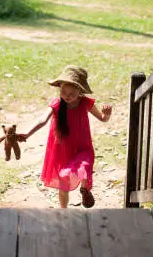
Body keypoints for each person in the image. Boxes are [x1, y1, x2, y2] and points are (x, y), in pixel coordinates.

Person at [19, 65, 112, 209]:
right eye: (63, 91)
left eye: (72, 93)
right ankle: (63, 210)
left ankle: (85, 190)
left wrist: (106, 115)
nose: (67, 96)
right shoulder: (56, 104)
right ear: (59, 89)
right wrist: (27, 134)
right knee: (63, 183)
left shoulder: (85, 103)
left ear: (80, 92)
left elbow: (102, 118)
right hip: (62, 151)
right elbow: (42, 120)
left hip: (82, 147)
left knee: (85, 167)